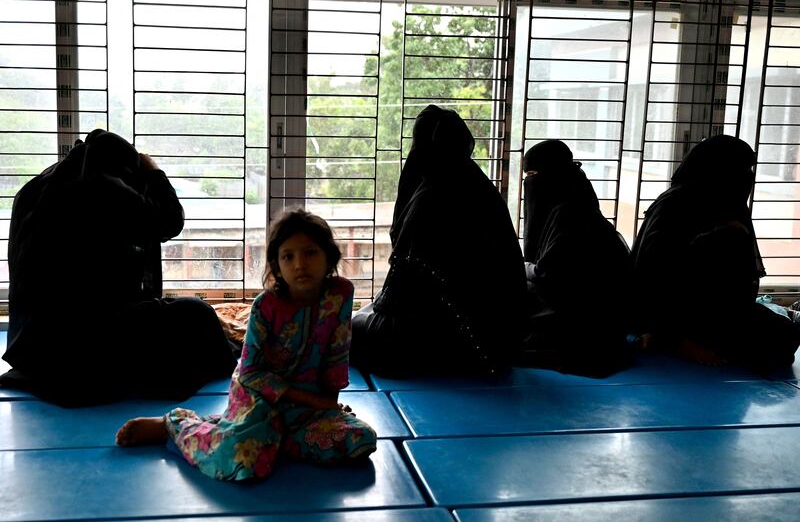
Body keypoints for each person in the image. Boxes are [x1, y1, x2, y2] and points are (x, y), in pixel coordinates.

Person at [116, 209, 377, 482]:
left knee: (360, 439)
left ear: (329, 258)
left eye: (310, 253)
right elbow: (251, 374)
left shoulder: (340, 294)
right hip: (258, 399)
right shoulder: (266, 306)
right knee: (245, 461)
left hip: (307, 410)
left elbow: (337, 353)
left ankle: (265, 437)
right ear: (277, 265)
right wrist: (313, 401)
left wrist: (328, 407)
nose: (300, 264)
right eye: (288, 256)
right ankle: (175, 425)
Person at [1, 129, 236, 406]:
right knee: (199, 314)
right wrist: (154, 171)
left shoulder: (33, 190)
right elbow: (170, 219)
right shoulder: (101, 185)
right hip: (84, 349)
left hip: (33, 351)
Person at [350, 105, 527, 377]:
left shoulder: (430, 198)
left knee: (349, 331)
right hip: (498, 342)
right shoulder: (480, 188)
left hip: (448, 342)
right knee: (370, 311)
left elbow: (401, 295)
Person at [631, 135, 799, 368]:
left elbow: (738, 278)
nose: (747, 177)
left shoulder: (726, 201)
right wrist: (720, 235)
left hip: (718, 307)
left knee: (784, 336)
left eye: (749, 169)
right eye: (740, 169)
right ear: (718, 168)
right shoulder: (677, 203)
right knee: (768, 346)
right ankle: (672, 340)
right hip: (677, 309)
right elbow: (656, 271)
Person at [518, 140, 632, 376]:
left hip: (584, 320)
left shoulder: (570, 214)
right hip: (602, 318)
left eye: (532, 175)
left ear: (550, 175)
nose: (529, 183)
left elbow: (549, 275)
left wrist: (523, 267)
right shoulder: (577, 199)